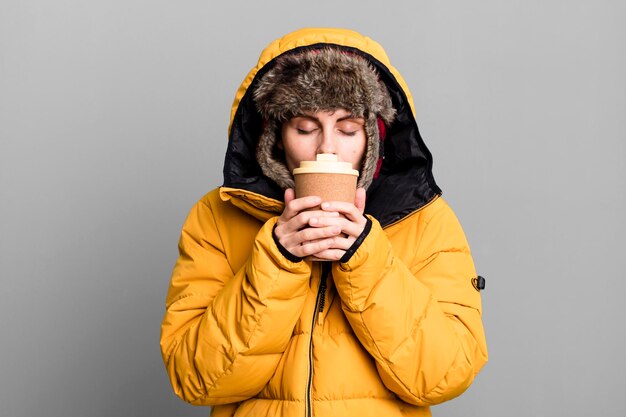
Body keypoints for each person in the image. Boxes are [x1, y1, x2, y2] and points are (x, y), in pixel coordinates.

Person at [160, 28, 488, 417]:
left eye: (348, 129)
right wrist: (277, 260)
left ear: (374, 137)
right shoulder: (218, 215)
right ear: (275, 135)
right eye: (305, 128)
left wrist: (366, 260)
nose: (327, 147)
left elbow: (445, 374)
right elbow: (196, 379)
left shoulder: (426, 220)